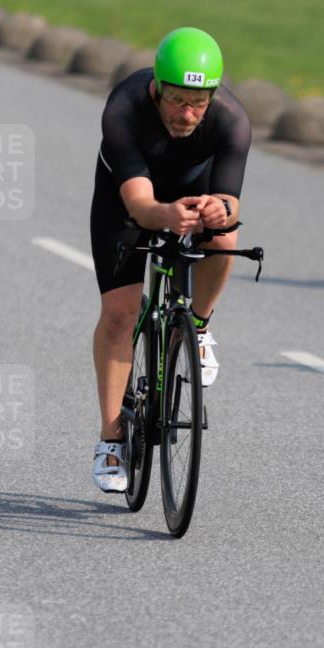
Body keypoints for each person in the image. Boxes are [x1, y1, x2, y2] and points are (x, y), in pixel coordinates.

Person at [90, 27, 252, 493]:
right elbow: (141, 206)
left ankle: (197, 328)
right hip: (126, 201)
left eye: (197, 104)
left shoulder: (231, 120)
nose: (187, 114)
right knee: (120, 315)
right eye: (177, 101)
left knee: (225, 238)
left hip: (192, 192)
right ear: (157, 88)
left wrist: (220, 210)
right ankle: (111, 439)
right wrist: (165, 216)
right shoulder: (124, 107)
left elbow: (231, 198)